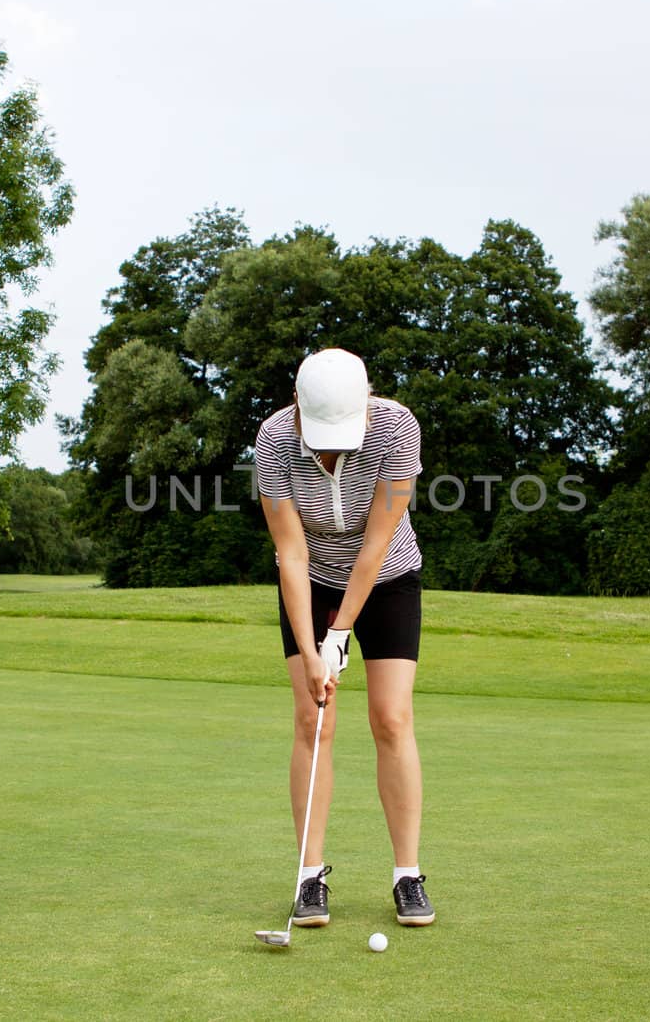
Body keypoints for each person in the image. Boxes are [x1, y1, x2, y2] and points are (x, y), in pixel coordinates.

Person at [253, 347, 434, 928]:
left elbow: (377, 543)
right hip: (309, 581)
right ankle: (310, 879)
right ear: (299, 407)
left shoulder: (397, 428)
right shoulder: (275, 440)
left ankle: (407, 875)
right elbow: (290, 550)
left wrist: (340, 634)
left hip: (387, 579)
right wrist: (312, 650)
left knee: (392, 718)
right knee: (313, 719)